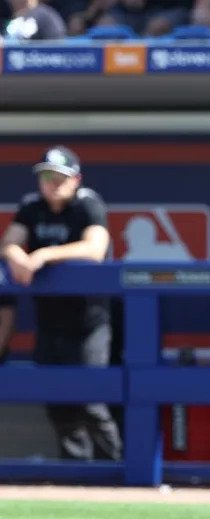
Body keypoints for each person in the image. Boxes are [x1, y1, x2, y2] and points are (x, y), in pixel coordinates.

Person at [0, 146, 122, 462]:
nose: (51, 183)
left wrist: (42, 255)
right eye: (45, 176)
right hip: (50, 322)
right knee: (57, 401)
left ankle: (116, 469)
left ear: (75, 179)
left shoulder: (88, 204)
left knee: (91, 400)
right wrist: (17, 256)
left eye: (59, 177)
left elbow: (95, 249)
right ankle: (75, 473)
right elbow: (10, 242)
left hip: (89, 323)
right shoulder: (32, 206)